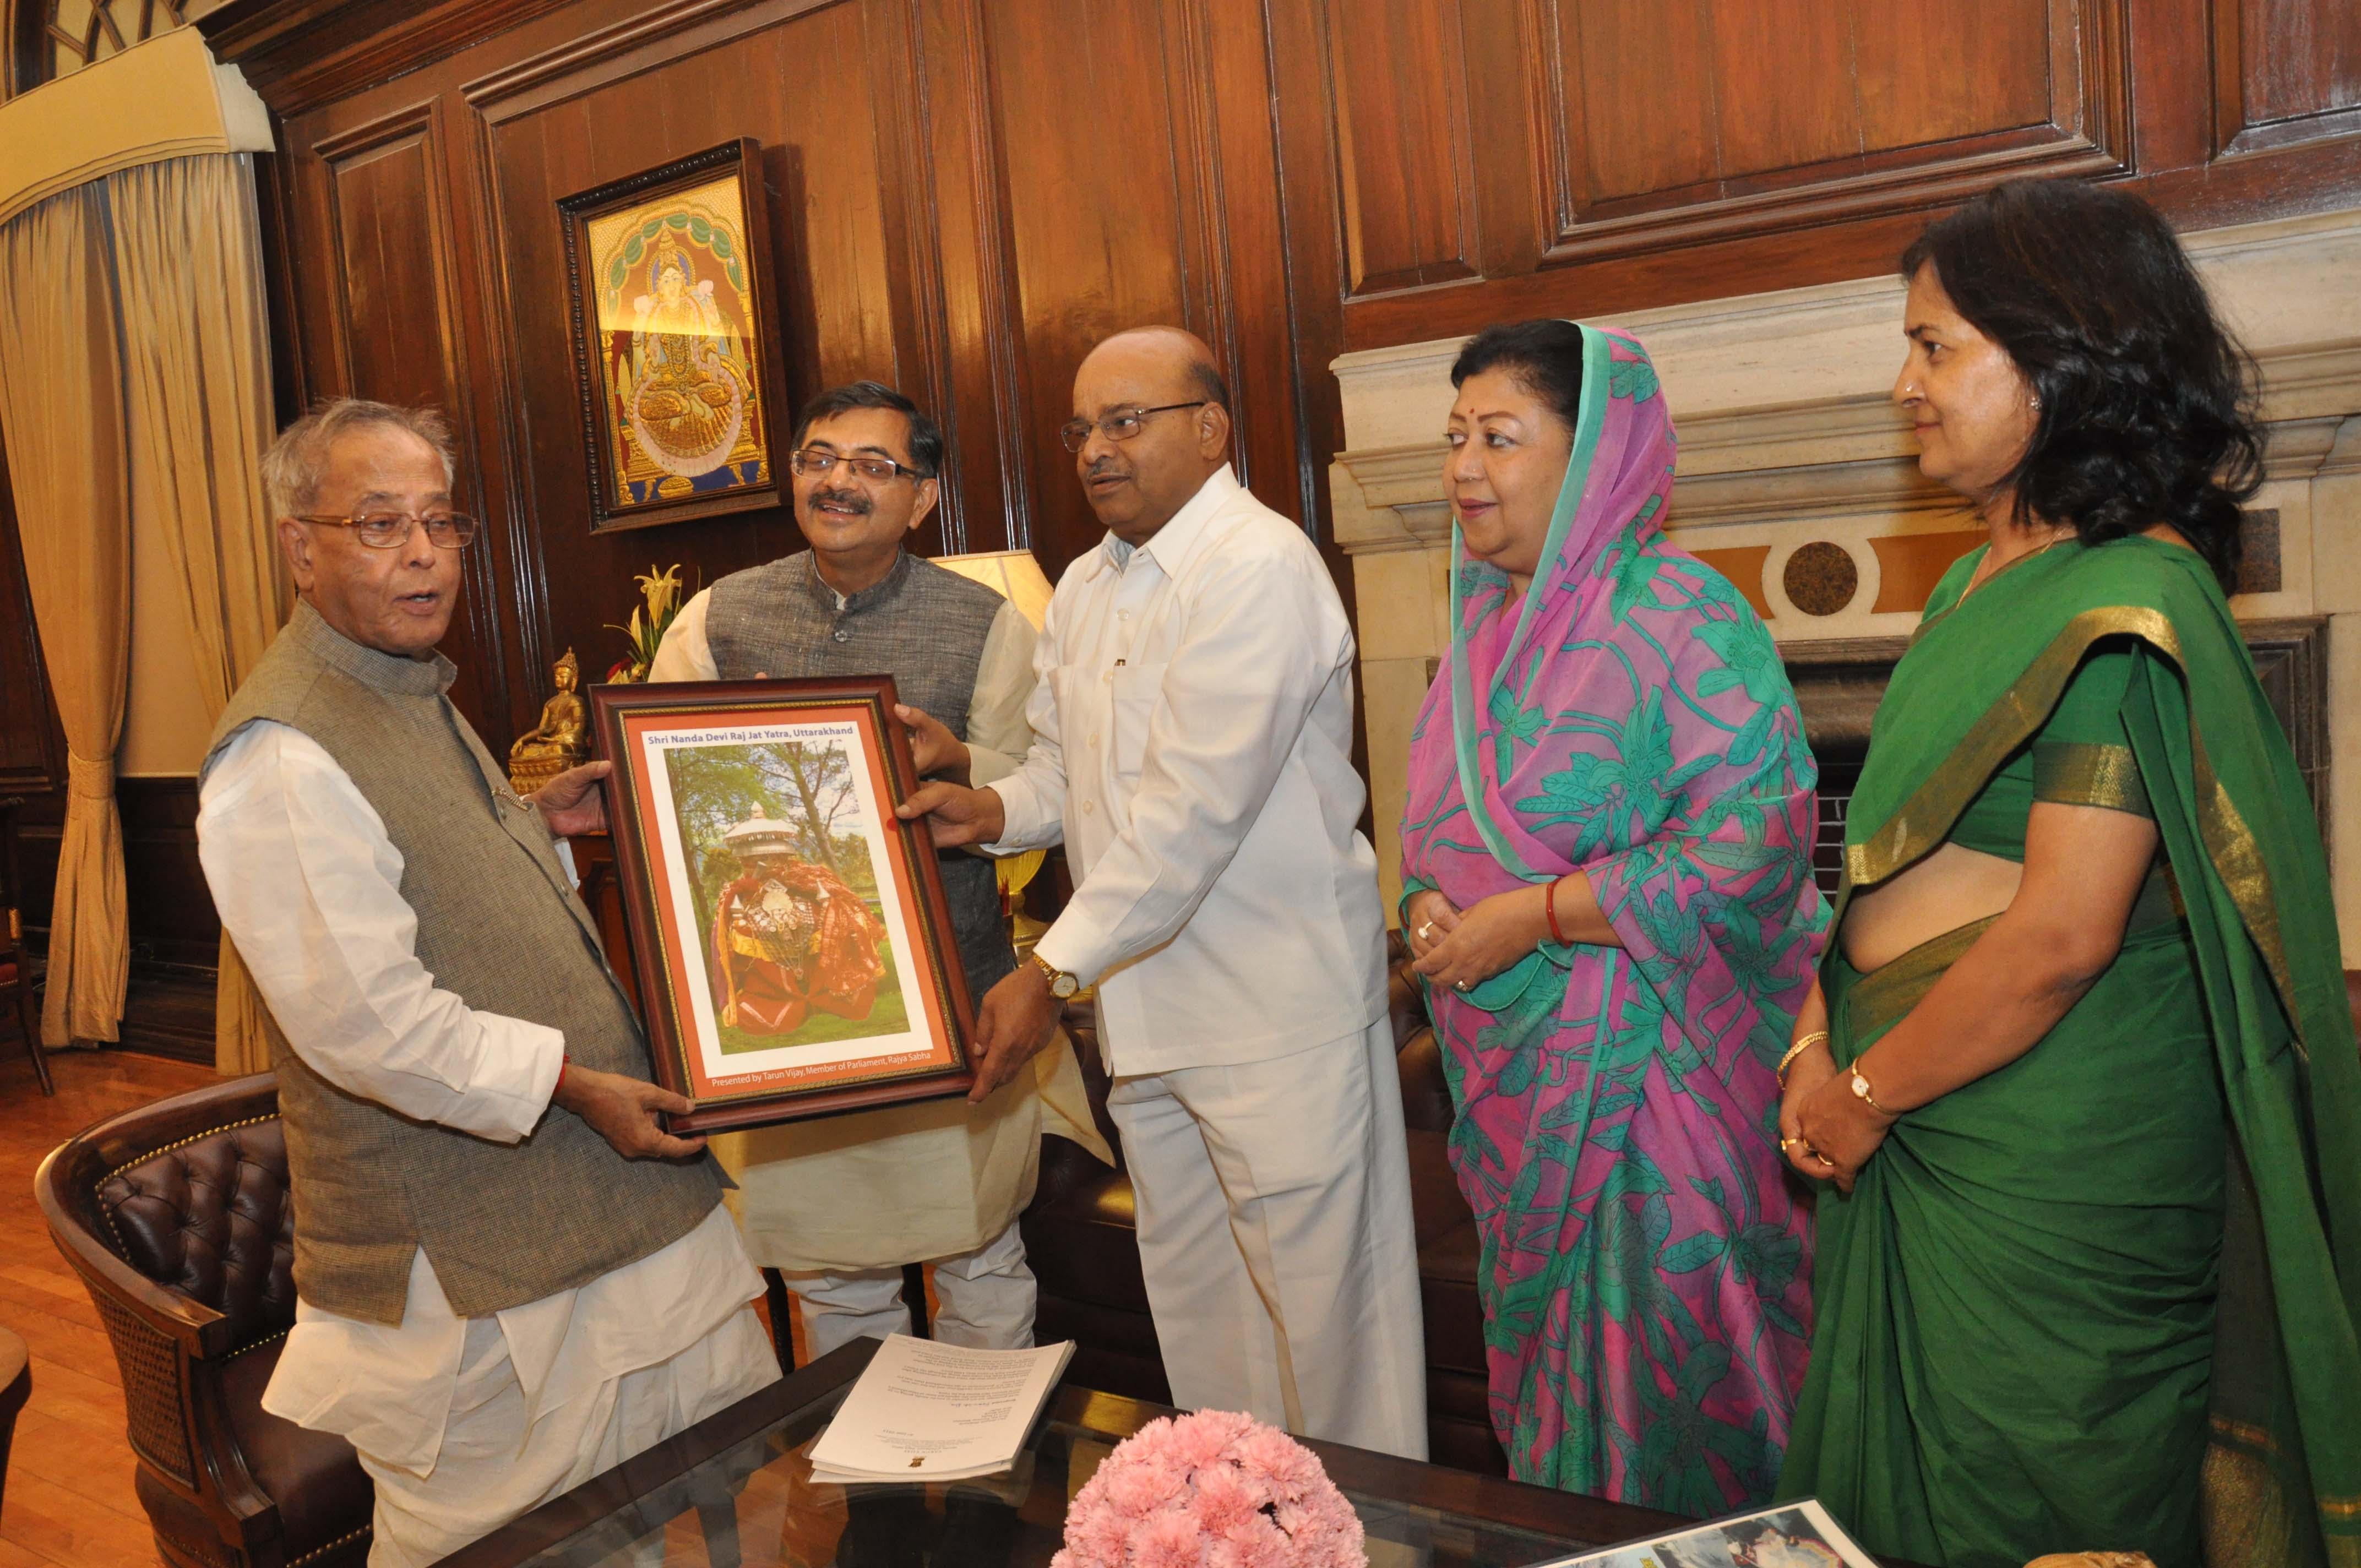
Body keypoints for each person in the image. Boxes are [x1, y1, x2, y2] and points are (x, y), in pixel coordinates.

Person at [1775, 179, 2361, 1568]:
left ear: (2064, 356)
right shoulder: (1989, 577)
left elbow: (2057, 937)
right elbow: (1882, 863)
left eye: (1935, 346)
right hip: (1915, 1090)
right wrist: (1813, 1028)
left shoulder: (2125, 602)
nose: (1902, 385)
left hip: (2045, 1153)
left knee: (2031, 1493)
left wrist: (1859, 1091)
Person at [195, 398, 779, 1567]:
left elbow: (424, 879)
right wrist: (576, 1085)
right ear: (298, 546)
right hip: (477, 1275)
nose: (421, 552)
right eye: (377, 523)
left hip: (620, 1227)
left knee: (722, 1502)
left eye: (439, 521)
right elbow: (374, 1025)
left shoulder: (402, 687)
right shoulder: (281, 752)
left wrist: (537, 825)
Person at [900, 325, 1428, 1458]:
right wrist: (986, 807)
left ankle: (1367, 1544)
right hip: (1144, 1022)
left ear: (1209, 427)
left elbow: (1190, 811)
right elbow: (1067, 773)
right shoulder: (1089, 583)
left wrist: (1045, 970)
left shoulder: (1258, 565)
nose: (1094, 449)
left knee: (1331, 1339)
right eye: (1080, 429)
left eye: (1124, 421)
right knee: (1205, 1333)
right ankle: (1238, 1531)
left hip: (1271, 1015)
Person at [1397, 320, 1825, 1507]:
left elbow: (1755, 838)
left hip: (1664, 1090)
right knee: (1555, 1416)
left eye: (1498, 436)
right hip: (1518, 1093)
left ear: (1593, 451)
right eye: (1451, 438)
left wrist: (1536, 914)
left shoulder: (1681, 613)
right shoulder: (1480, 629)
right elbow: (1433, 829)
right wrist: (1426, 901)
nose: (1461, 469)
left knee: (1688, 1382)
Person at [650, 379, 1106, 1356]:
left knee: (979, 1259)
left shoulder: (986, 625)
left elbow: (1047, 793)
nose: (839, 482)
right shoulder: (714, 621)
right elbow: (666, 805)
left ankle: (991, 1484)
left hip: (952, 999)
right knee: (831, 1278)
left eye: (872, 465)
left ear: (922, 497)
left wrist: (958, 768)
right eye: (819, 459)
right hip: (788, 1027)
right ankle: (875, 1499)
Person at [706, 819, 885, 1035]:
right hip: (766, 990)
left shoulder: (805, 883)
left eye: (772, 859)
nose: (766, 864)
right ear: (744, 861)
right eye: (754, 860)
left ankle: (821, 996)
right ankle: (787, 1000)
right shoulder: (737, 895)